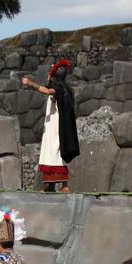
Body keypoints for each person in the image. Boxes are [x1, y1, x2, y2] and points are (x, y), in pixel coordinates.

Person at [23, 58, 79, 193]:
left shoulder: (59, 88)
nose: (48, 74)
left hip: (57, 128)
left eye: (51, 73)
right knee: (53, 153)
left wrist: (31, 84)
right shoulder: (66, 88)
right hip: (55, 126)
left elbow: (48, 92)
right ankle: (51, 186)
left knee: (56, 153)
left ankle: (64, 186)